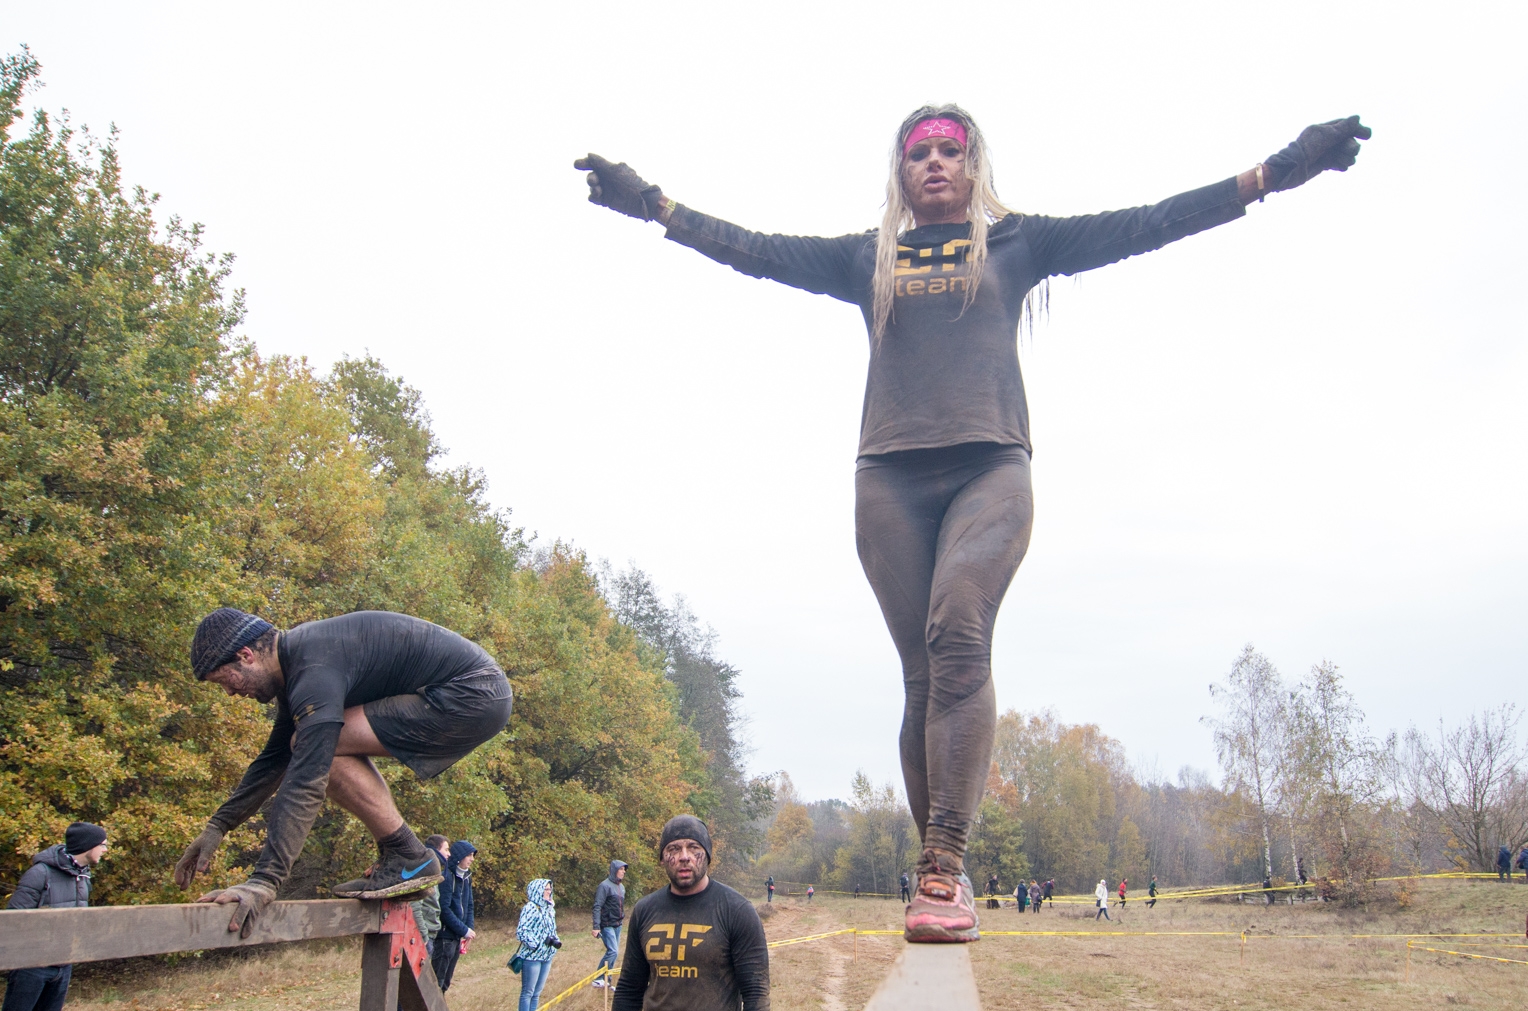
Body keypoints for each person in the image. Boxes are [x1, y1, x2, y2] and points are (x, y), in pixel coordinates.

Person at [574, 108, 1370, 945]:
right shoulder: (866, 259)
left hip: (991, 466)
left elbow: (1148, 223)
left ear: (974, 161)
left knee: (959, 626)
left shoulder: (1017, 245)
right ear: (900, 173)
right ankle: (936, 867)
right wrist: (657, 206)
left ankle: (945, 863)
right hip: (888, 476)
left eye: (950, 150)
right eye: (918, 154)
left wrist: (1271, 174)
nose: (935, 164)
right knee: (921, 672)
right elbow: (757, 250)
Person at [174, 608, 513, 937]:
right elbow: (273, 759)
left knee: (320, 748)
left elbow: (306, 781)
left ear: (246, 655)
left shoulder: (313, 669)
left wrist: (265, 881)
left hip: (472, 693)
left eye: (225, 681)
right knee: (304, 743)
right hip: (477, 692)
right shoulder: (301, 665)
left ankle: (408, 855)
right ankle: (407, 857)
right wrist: (219, 825)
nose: (231, 692)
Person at [606, 815, 769, 1011]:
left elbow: (756, 994)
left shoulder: (736, 910)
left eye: (694, 848)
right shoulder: (645, 910)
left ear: (707, 856)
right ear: (662, 859)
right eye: (673, 848)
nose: (684, 856)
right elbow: (629, 989)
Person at [0, 823, 109, 1011]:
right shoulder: (40, 873)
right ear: (88, 846)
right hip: (31, 967)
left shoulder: (83, 875)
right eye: (102, 844)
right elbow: (13, 920)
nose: (105, 849)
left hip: (62, 966)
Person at [394, 884, 443, 1011]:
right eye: (446, 851)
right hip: (416, 939)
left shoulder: (430, 866)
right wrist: (422, 937)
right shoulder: (423, 862)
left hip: (424, 936)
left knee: (418, 998)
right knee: (408, 999)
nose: (448, 854)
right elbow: (414, 906)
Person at [515, 879, 560, 1011]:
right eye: (546, 889)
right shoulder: (530, 908)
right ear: (538, 890)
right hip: (532, 957)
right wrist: (535, 944)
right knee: (528, 991)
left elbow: (552, 929)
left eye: (550, 889)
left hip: (546, 956)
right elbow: (521, 931)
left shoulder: (549, 908)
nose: (549, 892)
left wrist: (554, 941)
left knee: (537, 993)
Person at [433, 837, 477, 992]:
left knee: (445, 983)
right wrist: (463, 930)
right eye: (469, 855)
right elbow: (443, 909)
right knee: (436, 983)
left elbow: (470, 905)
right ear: (459, 857)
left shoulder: (466, 877)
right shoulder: (446, 877)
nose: (472, 859)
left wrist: (468, 930)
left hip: (457, 938)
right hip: (444, 937)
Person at [592, 859, 628, 988]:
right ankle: (598, 978)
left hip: (618, 925)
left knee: (614, 952)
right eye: (621, 869)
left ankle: (607, 981)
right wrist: (596, 927)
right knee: (613, 952)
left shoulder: (621, 887)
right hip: (606, 925)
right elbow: (597, 906)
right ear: (614, 870)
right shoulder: (604, 886)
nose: (623, 872)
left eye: (624, 869)